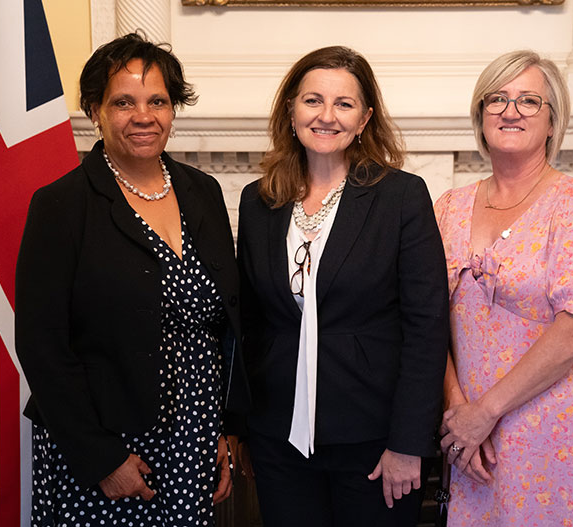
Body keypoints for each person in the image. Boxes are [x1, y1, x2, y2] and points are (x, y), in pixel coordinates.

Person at [15, 32, 249, 527]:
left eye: (157, 101)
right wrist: (101, 458)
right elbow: (41, 347)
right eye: (124, 102)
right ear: (95, 110)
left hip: (195, 436)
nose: (143, 116)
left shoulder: (202, 191)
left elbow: (224, 325)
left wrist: (227, 430)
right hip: (107, 447)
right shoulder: (62, 205)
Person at [237, 45, 449, 527]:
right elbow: (249, 322)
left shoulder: (401, 196)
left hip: (374, 444)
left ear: (365, 118)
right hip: (278, 440)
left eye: (344, 104)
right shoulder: (258, 201)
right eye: (312, 100)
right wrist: (246, 430)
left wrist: (409, 444)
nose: (326, 116)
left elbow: (426, 328)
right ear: (291, 110)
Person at [434, 50, 573, 525]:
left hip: (556, 424)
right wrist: (459, 411)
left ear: (551, 121)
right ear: (480, 116)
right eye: (496, 99)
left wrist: (486, 412)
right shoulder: (447, 207)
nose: (510, 110)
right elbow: (426, 320)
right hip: (470, 436)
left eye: (528, 101)